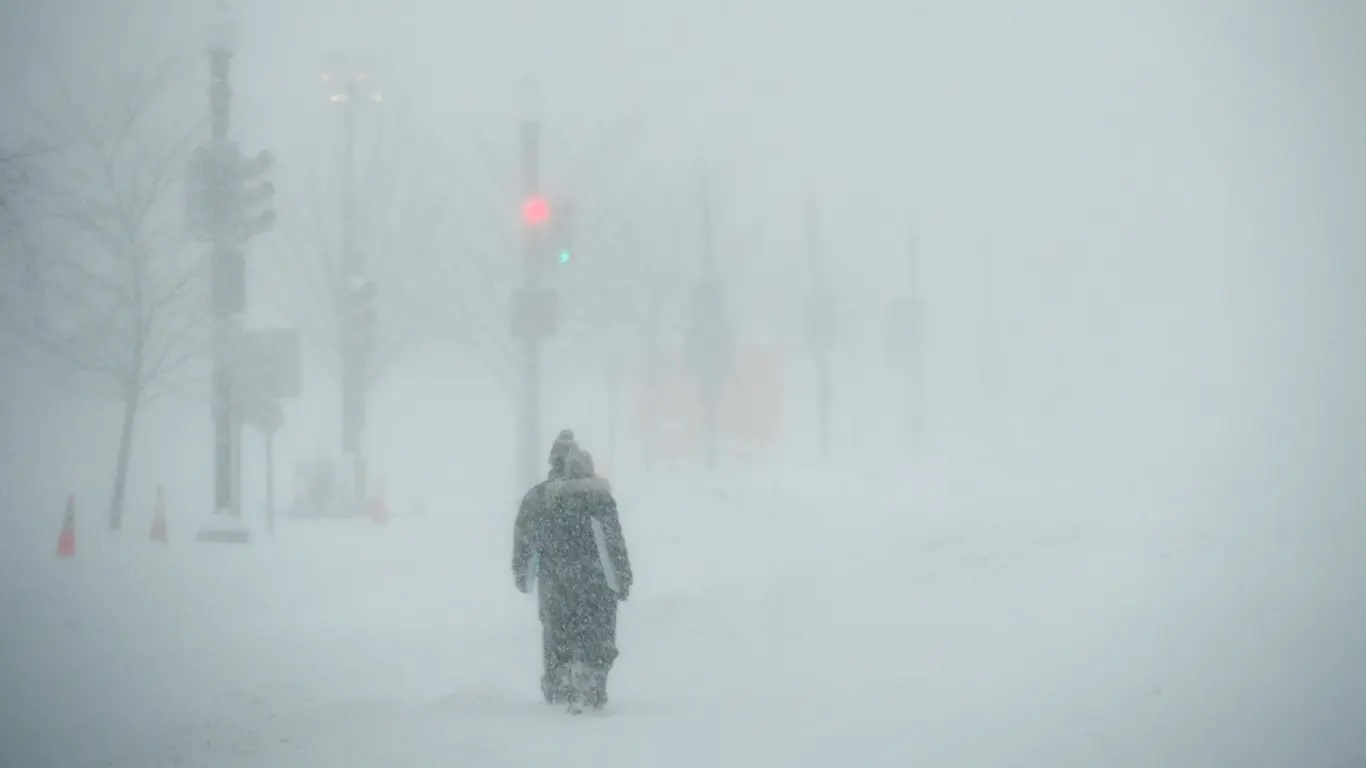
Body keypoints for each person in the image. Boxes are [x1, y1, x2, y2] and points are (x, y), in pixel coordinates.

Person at [513, 443, 632, 711]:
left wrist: (523, 574)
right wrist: (623, 577)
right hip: (596, 581)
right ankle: (592, 678)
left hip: (556, 581)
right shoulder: (599, 498)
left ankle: (562, 679)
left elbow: (527, 539)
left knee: (558, 633)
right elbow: (614, 543)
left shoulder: (544, 498)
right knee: (598, 632)